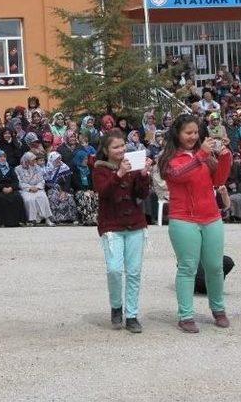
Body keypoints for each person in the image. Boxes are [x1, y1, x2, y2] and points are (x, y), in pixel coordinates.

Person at [157, 114, 231, 333]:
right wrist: (200, 155)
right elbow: (177, 174)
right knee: (187, 267)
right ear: (177, 134)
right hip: (183, 219)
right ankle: (186, 315)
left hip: (211, 216)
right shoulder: (169, 158)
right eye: (188, 132)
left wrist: (225, 156)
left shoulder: (204, 155)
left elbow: (218, 180)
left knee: (215, 267)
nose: (193, 136)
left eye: (196, 132)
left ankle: (218, 309)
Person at [93, 129, 152, 333]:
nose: (121, 150)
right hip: (112, 225)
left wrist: (144, 175)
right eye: (116, 147)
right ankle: (116, 306)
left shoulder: (133, 164)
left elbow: (142, 194)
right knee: (114, 270)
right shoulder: (99, 168)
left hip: (135, 223)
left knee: (134, 272)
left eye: (122, 146)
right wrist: (119, 174)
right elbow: (103, 192)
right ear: (107, 150)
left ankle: (132, 314)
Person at [0, 150, 26, 228]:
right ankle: (0, 222)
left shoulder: (9, 167)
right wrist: (2, 188)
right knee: (0, 198)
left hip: (10, 189)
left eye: (4, 156)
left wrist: (11, 188)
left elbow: (15, 181)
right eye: (0, 157)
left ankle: (15, 222)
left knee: (17, 197)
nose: (3, 158)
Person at [15, 151, 54, 227]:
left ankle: (47, 219)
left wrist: (37, 187)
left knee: (43, 197)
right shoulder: (18, 169)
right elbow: (19, 182)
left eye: (35, 160)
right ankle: (32, 220)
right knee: (29, 200)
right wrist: (29, 188)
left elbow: (42, 180)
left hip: (37, 188)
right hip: (26, 189)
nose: (35, 162)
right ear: (27, 160)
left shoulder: (37, 167)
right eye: (33, 160)